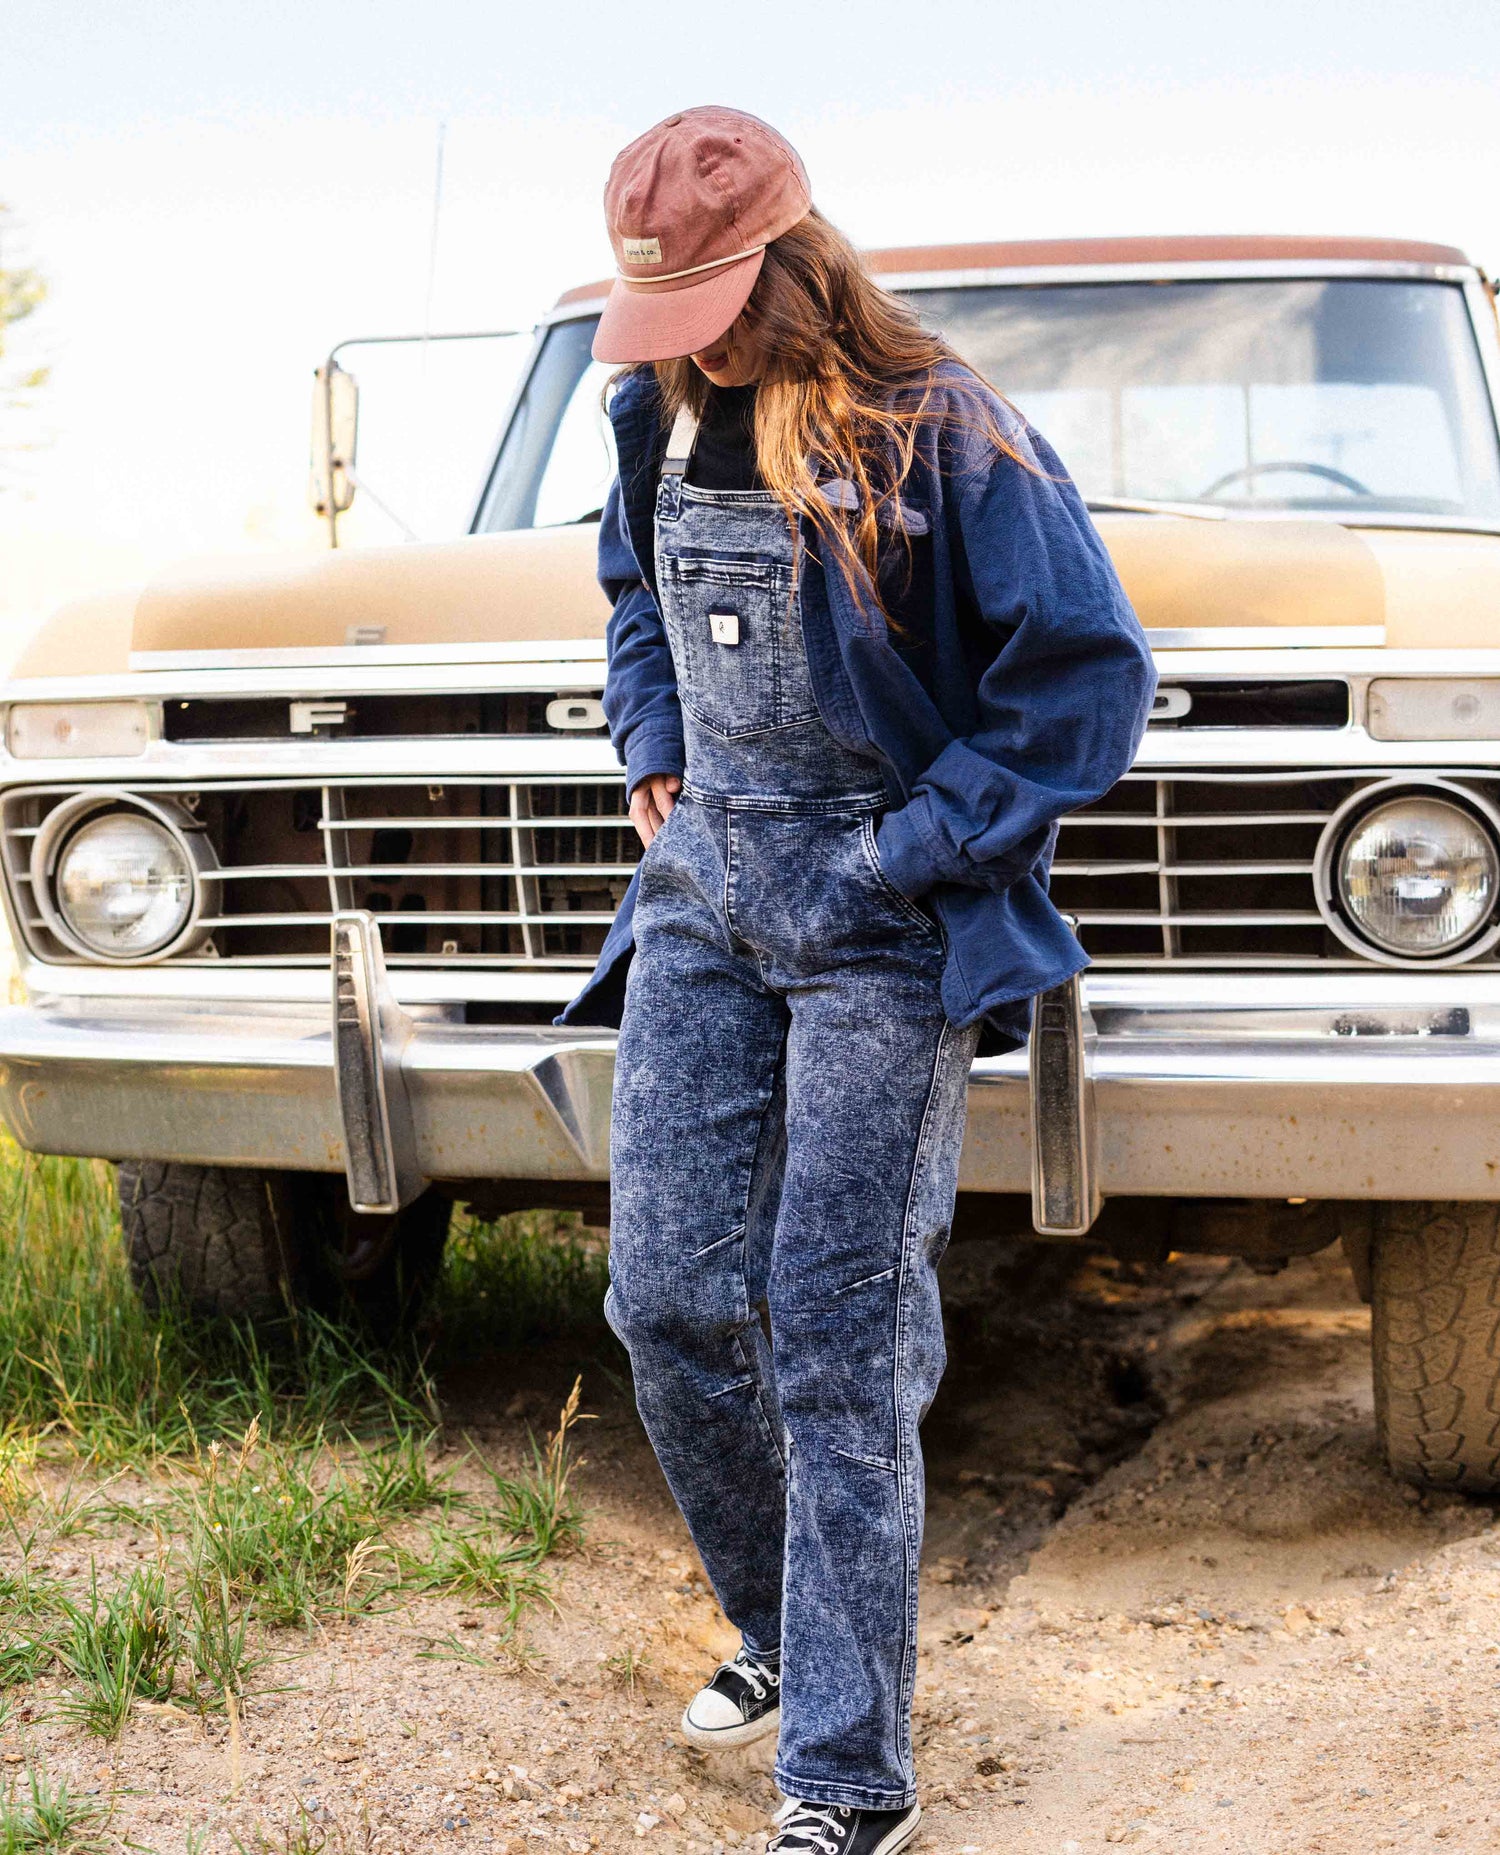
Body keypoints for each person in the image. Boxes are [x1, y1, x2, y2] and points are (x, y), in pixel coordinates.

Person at [555, 105, 1156, 1855]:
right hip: (702, 895)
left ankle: (846, 1775)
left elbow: (1086, 679)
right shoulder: (646, 415)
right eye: (666, 319)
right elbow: (630, 595)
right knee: (665, 1303)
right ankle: (783, 1628)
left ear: (800, 264)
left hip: (880, 918)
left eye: (721, 312)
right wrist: (652, 738)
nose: (697, 352)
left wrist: (909, 851)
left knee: (836, 1335)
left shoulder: (944, 431)